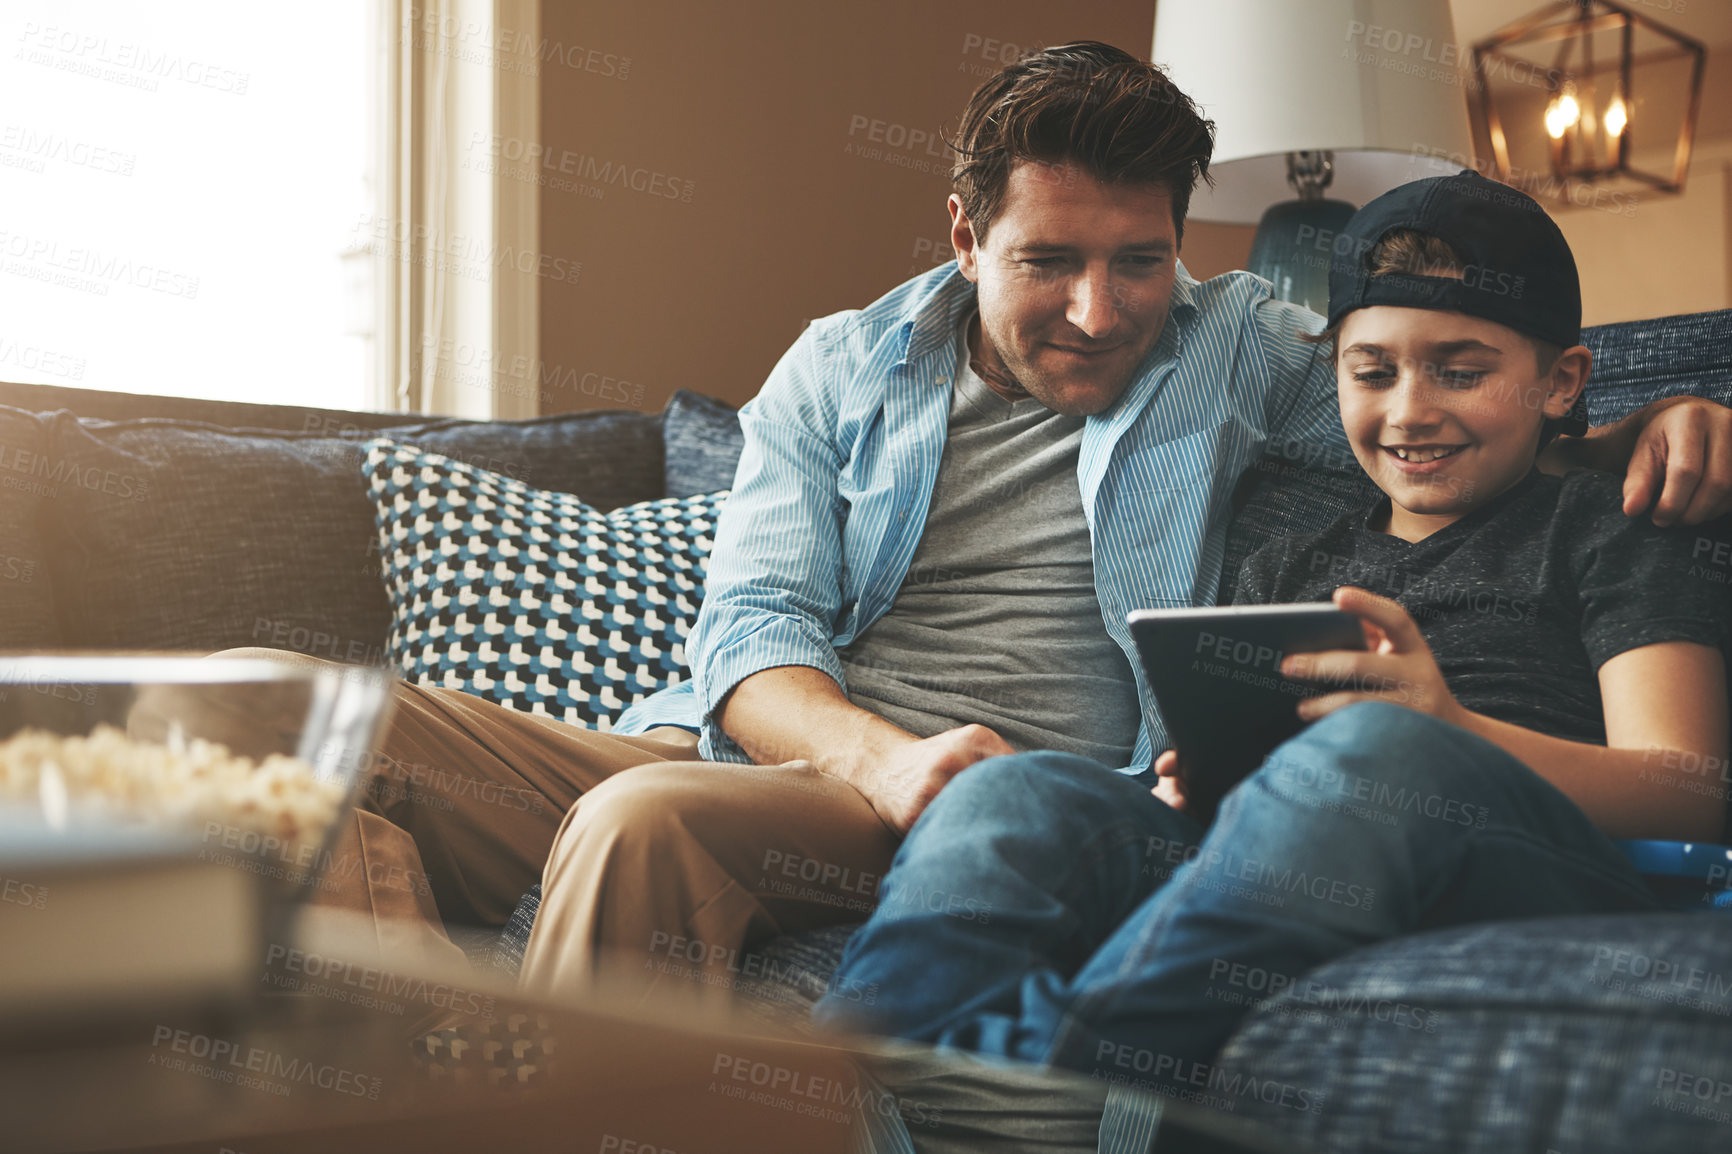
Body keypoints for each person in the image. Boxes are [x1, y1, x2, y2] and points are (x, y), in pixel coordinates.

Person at [231, 43, 1732, 1010]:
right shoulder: (837, 364)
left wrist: (1663, 420)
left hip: (1001, 787)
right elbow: (751, 640)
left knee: (640, 823)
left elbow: (1450, 409)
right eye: (1052, 262)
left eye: (1140, 262)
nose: (1100, 311)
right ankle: (425, 1081)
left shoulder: (1244, 347)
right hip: (784, 746)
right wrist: (878, 752)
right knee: (278, 719)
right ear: (966, 238)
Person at [809, 170, 1732, 1097]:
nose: (1410, 410)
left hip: (1537, 863)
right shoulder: (1285, 564)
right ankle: (830, 1068)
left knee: (1373, 748)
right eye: (1372, 373)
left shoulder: (1605, 528)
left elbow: (1692, 789)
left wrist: (1452, 731)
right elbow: (1235, 786)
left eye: (1463, 371)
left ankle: (1072, 1052)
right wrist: (1204, 783)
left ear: (1560, 382)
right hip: (1303, 861)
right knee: (1017, 792)